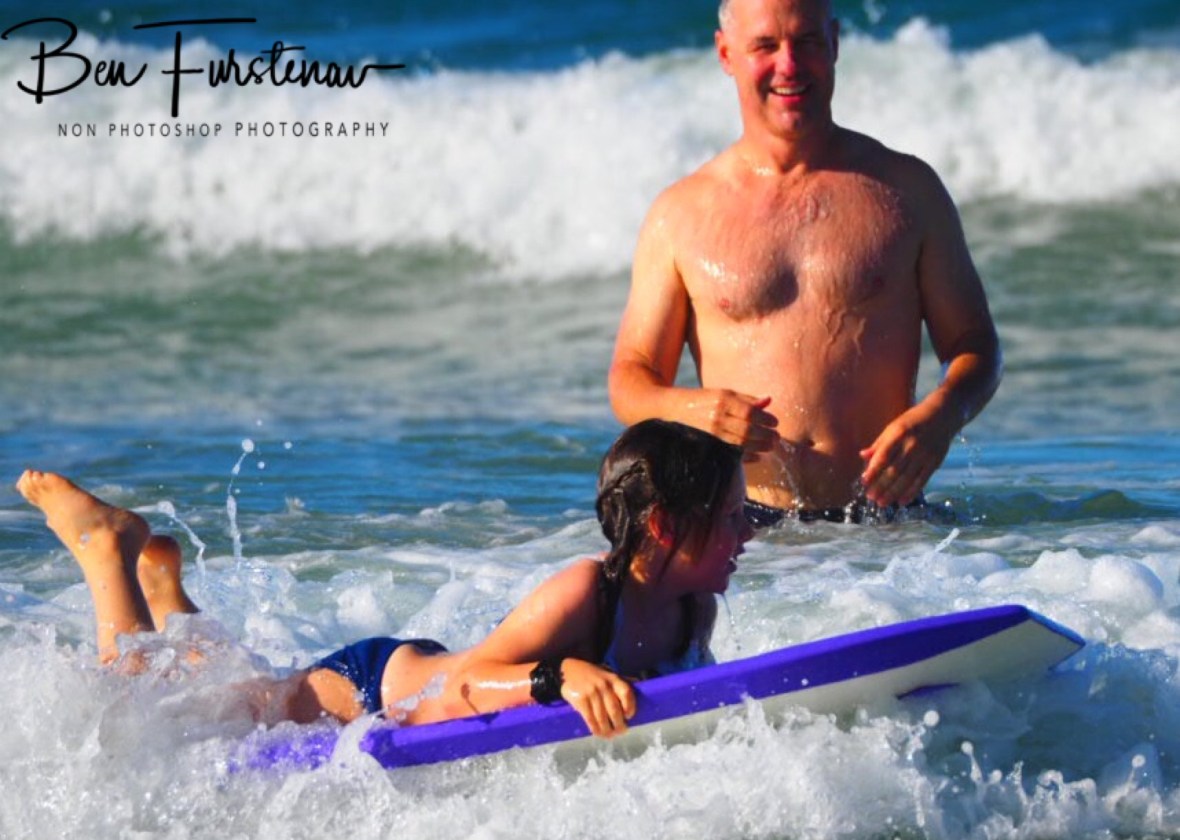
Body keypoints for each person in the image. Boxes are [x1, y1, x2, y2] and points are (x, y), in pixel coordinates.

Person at [15, 420, 751, 738]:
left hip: (414, 677)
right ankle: (106, 552)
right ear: (663, 526)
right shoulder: (587, 592)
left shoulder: (695, 612)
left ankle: (169, 596)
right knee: (165, 720)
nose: (747, 533)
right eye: (730, 516)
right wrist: (560, 678)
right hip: (372, 693)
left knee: (240, 694)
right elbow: (468, 686)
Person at [608, 0, 1002, 525]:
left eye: (807, 42)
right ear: (726, 54)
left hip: (888, 532)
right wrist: (690, 410)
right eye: (765, 46)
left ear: (834, 43)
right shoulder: (680, 213)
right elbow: (630, 379)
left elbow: (976, 346)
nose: (789, 65)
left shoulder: (908, 191)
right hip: (745, 536)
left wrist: (941, 416)